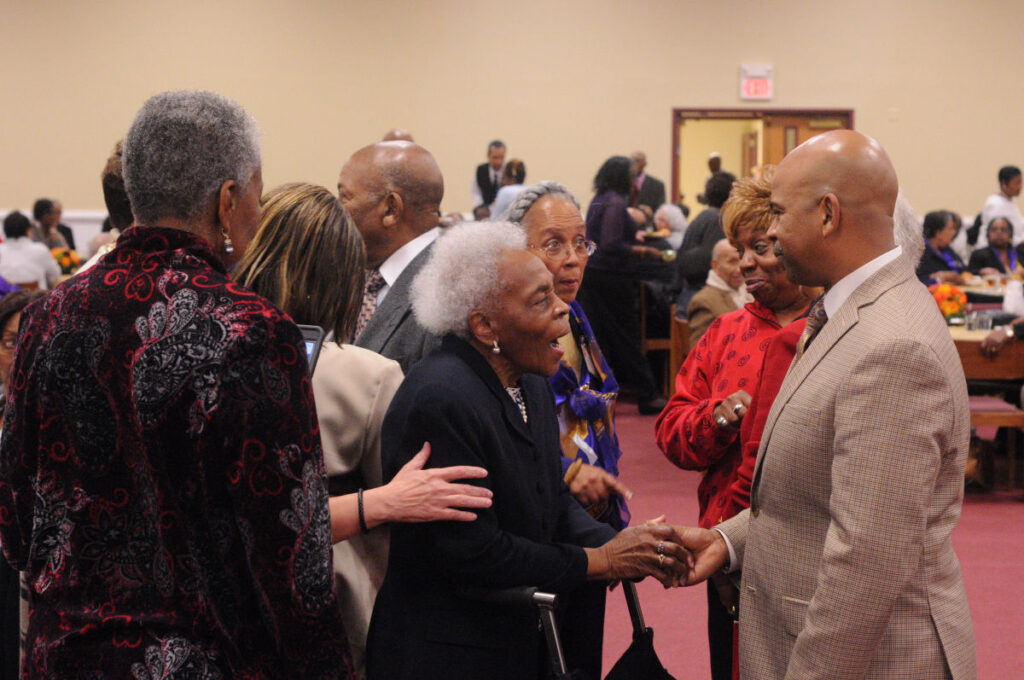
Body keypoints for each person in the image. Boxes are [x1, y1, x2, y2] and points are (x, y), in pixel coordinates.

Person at [0, 90, 354, 678]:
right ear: (228, 201)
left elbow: (13, 512)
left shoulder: (45, 318)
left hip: (61, 655)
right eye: (258, 198)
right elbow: (290, 554)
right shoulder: (254, 332)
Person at [680, 130, 976, 680]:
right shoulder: (850, 310)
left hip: (869, 659)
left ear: (827, 215)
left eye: (778, 214)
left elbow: (868, 559)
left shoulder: (893, 346)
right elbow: (815, 494)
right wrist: (730, 540)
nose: (768, 231)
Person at [366, 221, 691, 680]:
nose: (563, 310)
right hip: (447, 653)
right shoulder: (440, 397)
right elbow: (474, 553)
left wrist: (618, 543)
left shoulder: (530, 383)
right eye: (541, 300)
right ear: (485, 325)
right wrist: (601, 561)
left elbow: (550, 497)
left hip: (513, 641)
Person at [234, 182, 493, 677]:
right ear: (343, 275)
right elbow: (400, 519)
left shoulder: (207, 353)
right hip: (334, 601)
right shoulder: (367, 376)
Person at [656, 169, 813, 680]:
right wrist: (716, 419)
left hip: (808, 553)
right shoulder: (725, 332)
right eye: (739, 249)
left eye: (762, 247)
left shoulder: (833, 331)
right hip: (726, 554)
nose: (746, 263)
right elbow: (671, 432)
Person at [504, 181, 632, 678]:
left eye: (582, 242)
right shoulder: (509, 329)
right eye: (553, 244)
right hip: (537, 519)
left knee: (583, 655)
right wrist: (564, 472)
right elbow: (503, 429)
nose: (574, 258)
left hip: (588, 511)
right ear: (516, 249)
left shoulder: (576, 317)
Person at [338, 140, 444, 373]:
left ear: (390, 210)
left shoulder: (447, 293)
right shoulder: (360, 277)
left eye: (344, 197)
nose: (337, 210)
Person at [576, 155, 667, 415]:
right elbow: (611, 243)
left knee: (599, 338)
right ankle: (648, 394)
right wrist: (643, 250)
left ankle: (599, 394)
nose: (633, 181)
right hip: (613, 279)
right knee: (627, 338)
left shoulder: (599, 199)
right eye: (630, 175)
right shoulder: (616, 202)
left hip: (594, 276)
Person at [676, 171, 736, 310]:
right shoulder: (718, 220)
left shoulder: (703, 216)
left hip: (688, 293)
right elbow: (707, 259)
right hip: (701, 294)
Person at [686, 238, 750, 349]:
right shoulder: (703, 301)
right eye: (732, 262)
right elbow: (698, 352)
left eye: (741, 259)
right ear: (715, 265)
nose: (740, 269)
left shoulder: (750, 293)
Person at [0, 212, 61, 290]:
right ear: (28, 230)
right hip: (35, 299)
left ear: (4, 231)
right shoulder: (40, 249)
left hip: (3, 300)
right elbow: (55, 275)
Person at [976, 165, 1024, 249]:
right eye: (1016, 183)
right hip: (994, 251)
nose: (1019, 187)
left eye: (1020, 183)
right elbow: (996, 234)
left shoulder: (1011, 201)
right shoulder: (995, 204)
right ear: (1004, 184)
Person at [917, 209, 967, 285]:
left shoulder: (947, 250)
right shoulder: (921, 253)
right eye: (951, 229)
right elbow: (919, 282)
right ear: (938, 233)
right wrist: (943, 277)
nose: (954, 232)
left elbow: (963, 270)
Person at [471, 139, 505, 211]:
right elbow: (476, 192)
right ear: (488, 156)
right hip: (484, 208)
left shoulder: (507, 171)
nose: (499, 161)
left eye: (501, 157)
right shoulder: (481, 170)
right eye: (495, 157)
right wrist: (481, 206)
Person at [630, 151, 666, 217]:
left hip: (647, 224)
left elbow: (661, 211)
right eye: (631, 161)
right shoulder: (625, 182)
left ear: (644, 164)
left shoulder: (657, 185)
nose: (633, 164)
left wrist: (651, 213)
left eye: (637, 161)